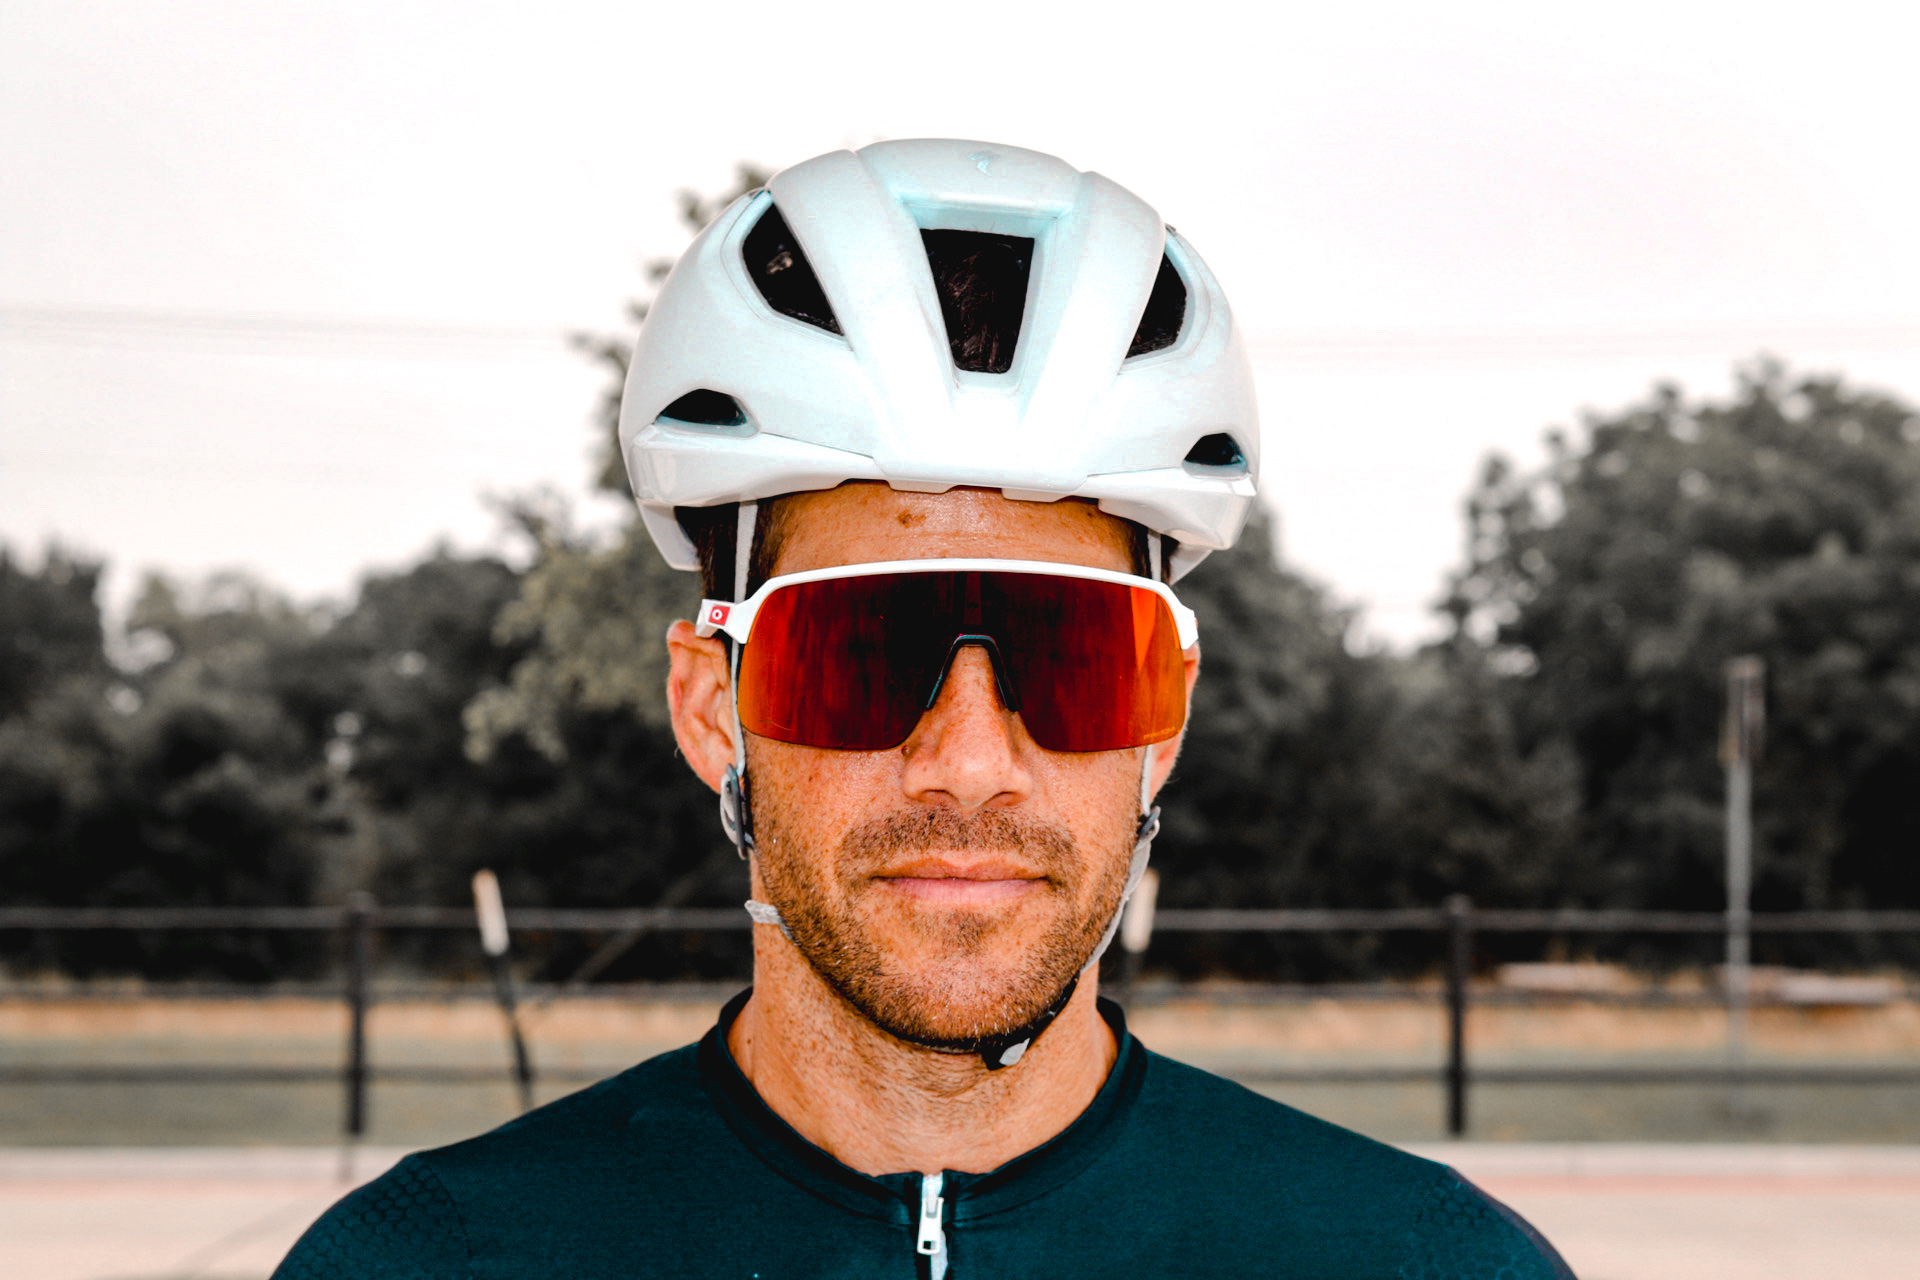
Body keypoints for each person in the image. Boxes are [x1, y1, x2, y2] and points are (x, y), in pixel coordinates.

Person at [275, 139, 1571, 1278]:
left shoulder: (1433, 1264)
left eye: (1072, 652)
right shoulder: (424, 1261)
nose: (969, 764)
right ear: (711, 710)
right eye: (855, 649)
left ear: (1164, 720)